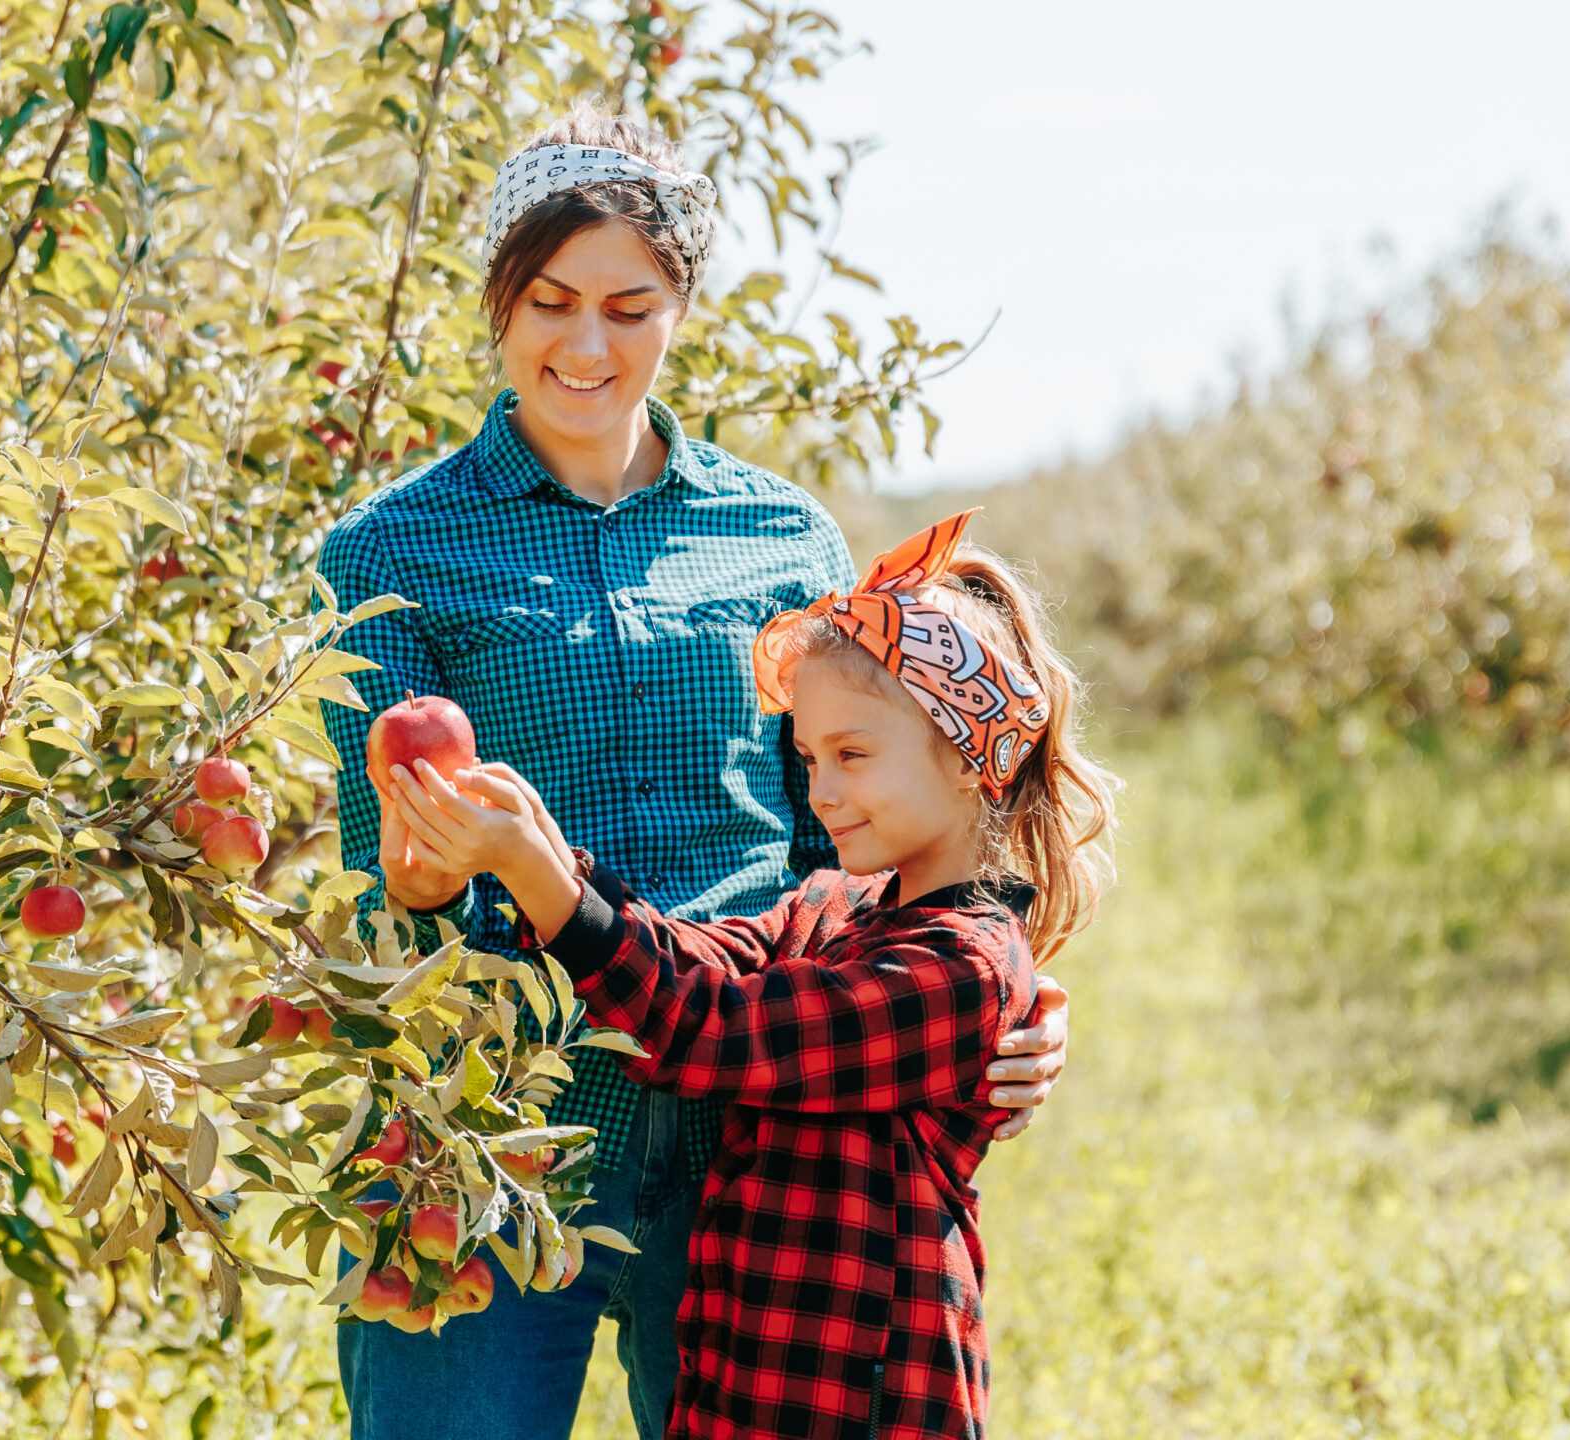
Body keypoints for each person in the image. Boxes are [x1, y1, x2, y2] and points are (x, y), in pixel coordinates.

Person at [315, 110, 1073, 1440]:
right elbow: (387, 885)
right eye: (549, 302)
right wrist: (427, 875)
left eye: (630, 305)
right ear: (499, 298)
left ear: (681, 308)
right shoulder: (392, 551)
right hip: (491, 1133)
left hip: (755, 1143)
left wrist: (1003, 1001)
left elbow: (858, 835)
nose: (587, 345)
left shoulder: (780, 538)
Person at [382, 510, 1118, 1440]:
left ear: (974, 759)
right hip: (748, 1383)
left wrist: (542, 880)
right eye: (809, 757)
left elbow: (714, 1028)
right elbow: (702, 960)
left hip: (862, 1400)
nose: (821, 792)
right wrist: (556, 866)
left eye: (854, 755)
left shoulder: (957, 969)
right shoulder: (837, 904)